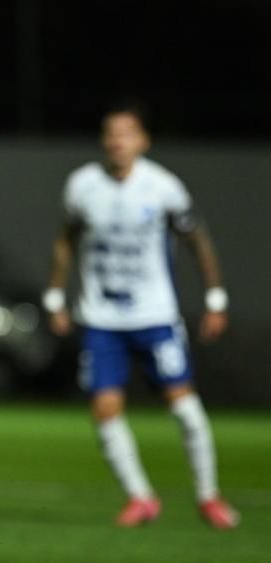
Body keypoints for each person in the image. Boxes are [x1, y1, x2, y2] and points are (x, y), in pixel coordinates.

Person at [43, 101, 238, 530]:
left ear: (143, 141)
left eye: (126, 133)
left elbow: (197, 240)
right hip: (100, 318)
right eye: (110, 133)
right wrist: (56, 295)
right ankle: (141, 497)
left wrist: (215, 299)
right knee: (105, 408)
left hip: (154, 316)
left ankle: (208, 496)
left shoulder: (163, 187)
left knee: (184, 408)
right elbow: (65, 239)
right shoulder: (83, 186)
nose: (117, 141)